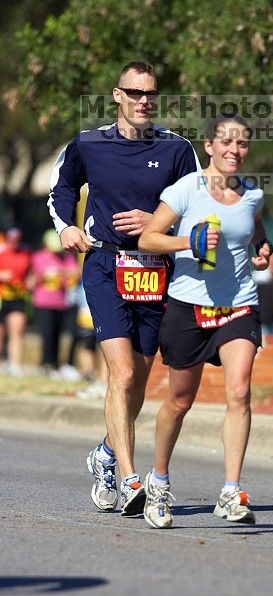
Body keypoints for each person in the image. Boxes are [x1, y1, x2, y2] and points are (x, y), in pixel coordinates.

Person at [48, 60, 199, 516]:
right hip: (105, 263)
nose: (143, 101)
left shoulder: (177, 149)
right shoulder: (89, 143)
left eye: (150, 94)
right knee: (124, 375)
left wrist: (156, 222)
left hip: (157, 271)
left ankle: (107, 454)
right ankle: (131, 478)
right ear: (117, 95)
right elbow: (61, 189)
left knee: (138, 380)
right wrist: (65, 229)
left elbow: (198, 204)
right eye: (134, 93)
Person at [138, 113, 272, 529]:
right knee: (180, 399)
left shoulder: (253, 194)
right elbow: (148, 238)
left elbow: (255, 231)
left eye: (243, 143)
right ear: (209, 146)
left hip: (239, 305)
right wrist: (188, 241)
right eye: (226, 142)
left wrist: (263, 250)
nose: (235, 150)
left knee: (240, 390)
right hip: (188, 307)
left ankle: (231, 490)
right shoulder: (186, 190)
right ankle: (158, 481)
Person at [29, 229, 80, 378]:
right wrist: (42, 275)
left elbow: (75, 273)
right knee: (47, 334)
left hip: (62, 302)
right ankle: (46, 363)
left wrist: (62, 273)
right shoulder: (38, 257)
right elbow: (31, 281)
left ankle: (56, 364)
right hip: (43, 302)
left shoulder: (67, 257)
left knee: (58, 334)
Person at [0, 227, 32, 376]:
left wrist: (30, 282)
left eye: (17, 239)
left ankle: (15, 364)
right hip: (2, 296)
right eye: (12, 239)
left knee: (16, 332)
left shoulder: (25, 252)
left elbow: (32, 272)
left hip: (18, 296)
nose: (15, 242)